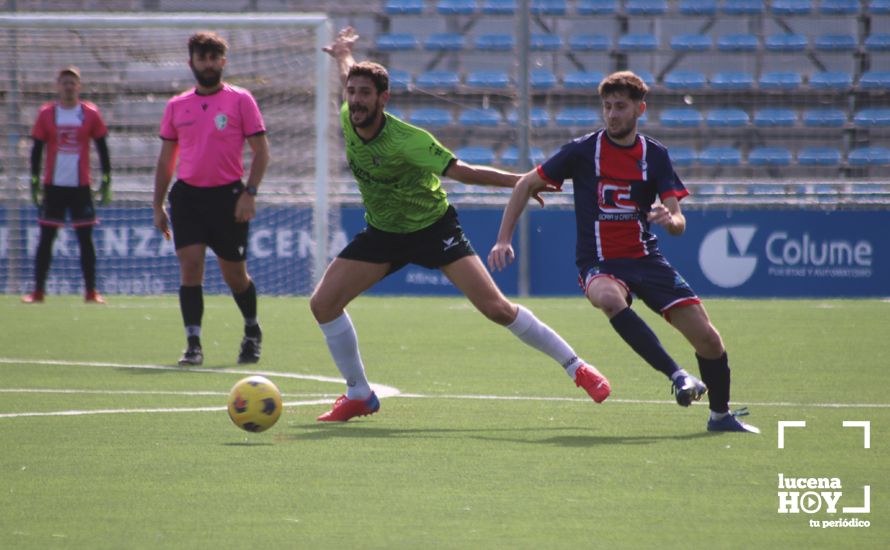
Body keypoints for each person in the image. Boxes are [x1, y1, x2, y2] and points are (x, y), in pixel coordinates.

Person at [312, 27, 610, 422]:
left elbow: (465, 172)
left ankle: (577, 367)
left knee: (497, 309)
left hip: (433, 230)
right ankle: (359, 393)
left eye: (366, 94)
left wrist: (522, 181)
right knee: (323, 304)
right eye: (352, 92)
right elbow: (350, 74)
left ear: (384, 99)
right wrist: (342, 57)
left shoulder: (408, 140)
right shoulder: (350, 117)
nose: (356, 100)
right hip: (383, 233)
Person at [489, 71, 759, 433]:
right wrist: (504, 238)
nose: (612, 114)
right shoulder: (583, 151)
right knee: (608, 297)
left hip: (647, 259)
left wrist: (669, 218)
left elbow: (678, 222)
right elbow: (526, 182)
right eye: (607, 107)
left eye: (620, 106)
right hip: (599, 263)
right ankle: (678, 375)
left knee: (708, 339)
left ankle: (720, 416)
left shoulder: (654, 155)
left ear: (639, 109)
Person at [152, 31, 270, 366]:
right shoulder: (177, 105)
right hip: (187, 197)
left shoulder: (240, 100)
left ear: (223, 61)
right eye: (201, 58)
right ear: (191, 63)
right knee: (191, 267)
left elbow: (261, 152)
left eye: (213, 57)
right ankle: (193, 343)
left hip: (228, 197)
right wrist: (157, 204)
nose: (207, 64)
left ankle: (251, 330)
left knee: (234, 275)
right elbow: (166, 160)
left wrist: (250, 193)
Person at [22, 65, 112, 304]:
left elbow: (102, 146)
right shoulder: (46, 114)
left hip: (81, 187)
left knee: (86, 240)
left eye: (72, 82)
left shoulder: (90, 113)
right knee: (46, 238)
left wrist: (106, 178)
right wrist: (34, 180)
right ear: (57, 86)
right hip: (54, 186)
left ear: (78, 86)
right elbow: (37, 149)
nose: (68, 86)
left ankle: (91, 292)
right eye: (64, 82)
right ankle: (38, 291)